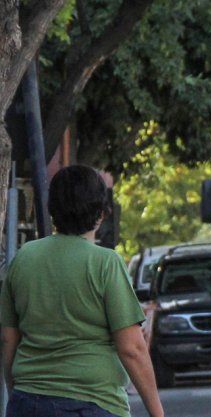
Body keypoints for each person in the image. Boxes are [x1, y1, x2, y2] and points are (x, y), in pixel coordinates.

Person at [0, 165, 164, 417]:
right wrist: (157, 413)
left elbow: (9, 339)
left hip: (28, 401)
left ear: (52, 208)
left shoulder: (23, 259)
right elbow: (132, 348)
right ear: (100, 212)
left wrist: (18, 393)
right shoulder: (106, 263)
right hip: (91, 403)